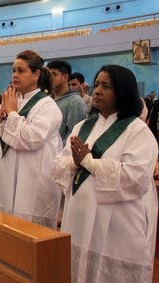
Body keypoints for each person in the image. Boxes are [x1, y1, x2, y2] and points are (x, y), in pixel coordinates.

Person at [52, 65, 158, 283]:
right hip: (79, 217)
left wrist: (90, 163)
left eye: (106, 86)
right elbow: (58, 166)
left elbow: (134, 177)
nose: (97, 90)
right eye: (97, 84)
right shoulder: (83, 126)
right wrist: (74, 163)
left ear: (123, 92)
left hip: (118, 222)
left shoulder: (136, 130)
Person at [0, 50, 63, 229]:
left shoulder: (47, 105)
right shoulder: (12, 99)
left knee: (28, 230)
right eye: (13, 70)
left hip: (31, 176)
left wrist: (12, 113)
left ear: (36, 74)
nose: (15, 75)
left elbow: (31, 139)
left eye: (21, 71)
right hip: (7, 171)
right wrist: (2, 116)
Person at [47, 60, 87, 146]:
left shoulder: (75, 102)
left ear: (65, 77)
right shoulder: (47, 100)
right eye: (48, 75)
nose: (50, 78)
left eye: (54, 74)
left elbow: (74, 135)